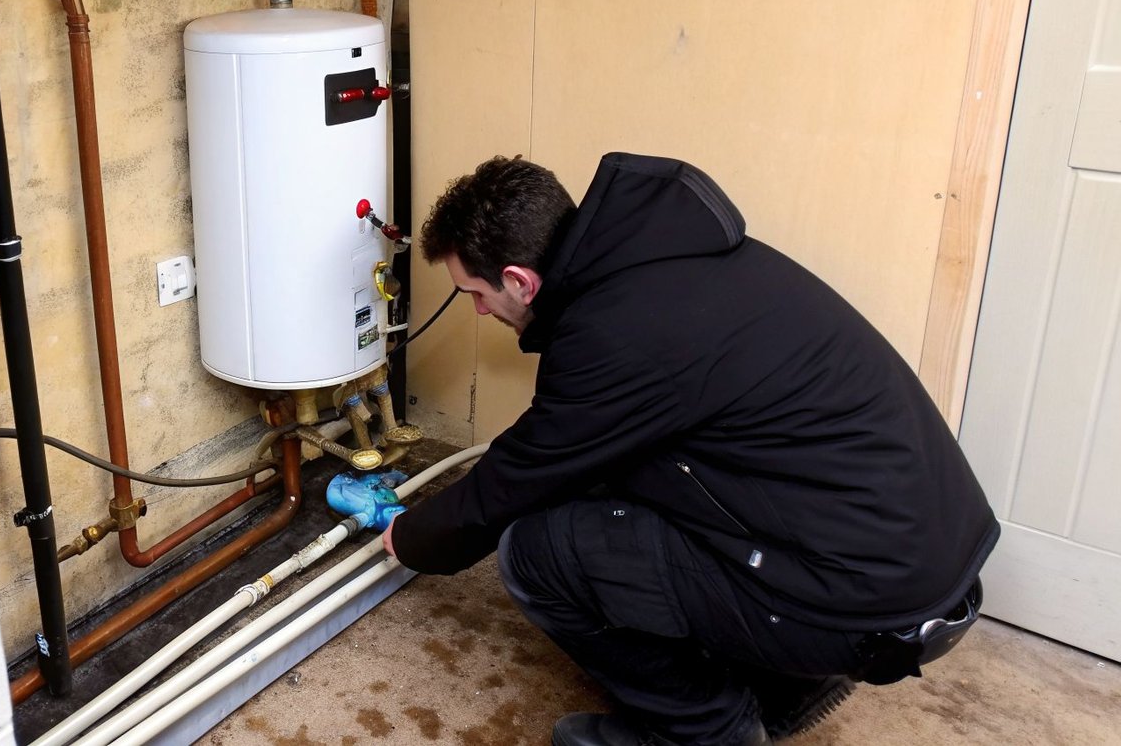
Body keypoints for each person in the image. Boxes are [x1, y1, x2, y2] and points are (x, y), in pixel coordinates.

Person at [380, 153, 998, 746]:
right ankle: (785, 688)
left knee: (537, 554)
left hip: (869, 609)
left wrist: (412, 537)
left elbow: (517, 478)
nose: (481, 310)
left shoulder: (615, 334)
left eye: (475, 294)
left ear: (519, 279)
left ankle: (705, 729)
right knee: (617, 478)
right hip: (925, 565)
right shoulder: (673, 263)